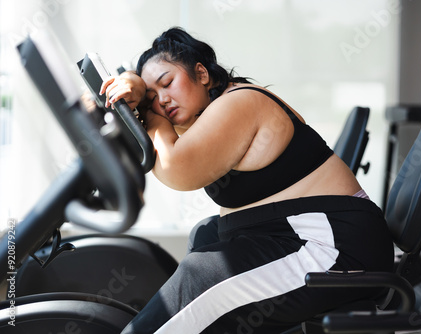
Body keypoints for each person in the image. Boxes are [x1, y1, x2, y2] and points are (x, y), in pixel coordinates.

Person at [101, 27, 394, 334]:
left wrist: (147, 110)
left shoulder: (240, 103)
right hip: (295, 233)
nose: (162, 100)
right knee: (205, 235)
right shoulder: (207, 114)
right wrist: (132, 88)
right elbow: (164, 151)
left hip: (334, 246)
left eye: (167, 83)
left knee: (200, 276)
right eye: (153, 97)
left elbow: (177, 168)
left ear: (201, 73)